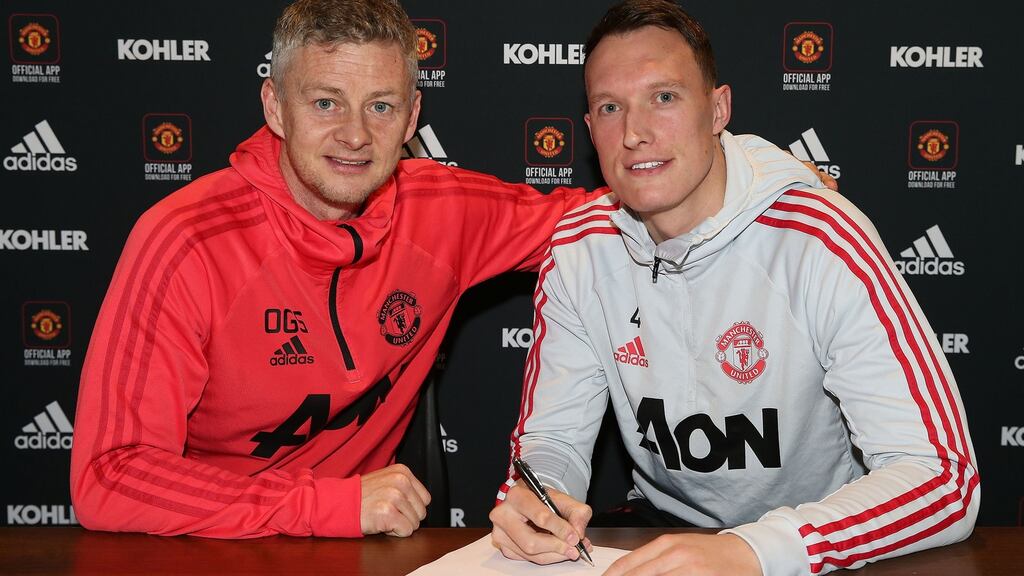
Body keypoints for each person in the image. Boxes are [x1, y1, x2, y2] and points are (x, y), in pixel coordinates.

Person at [69, 0, 597, 539]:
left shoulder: (443, 211)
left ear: (412, 117)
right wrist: (324, 504)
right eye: (326, 103)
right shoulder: (186, 240)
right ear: (275, 107)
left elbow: (606, 219)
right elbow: (109, 476)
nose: (355, 135)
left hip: (358, 548)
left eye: (381, 107)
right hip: (214, 546)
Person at [488, 1, 979, 575]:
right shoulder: (579, 247)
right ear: (590, 127)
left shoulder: (820, 237)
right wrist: (538, 496)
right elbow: (553, 441)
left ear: (718, 109)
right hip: (666, 532)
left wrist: (755, 551)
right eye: (610, 107)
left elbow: (942, 477)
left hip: (815, 540)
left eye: (664, 97)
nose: (636, 133)